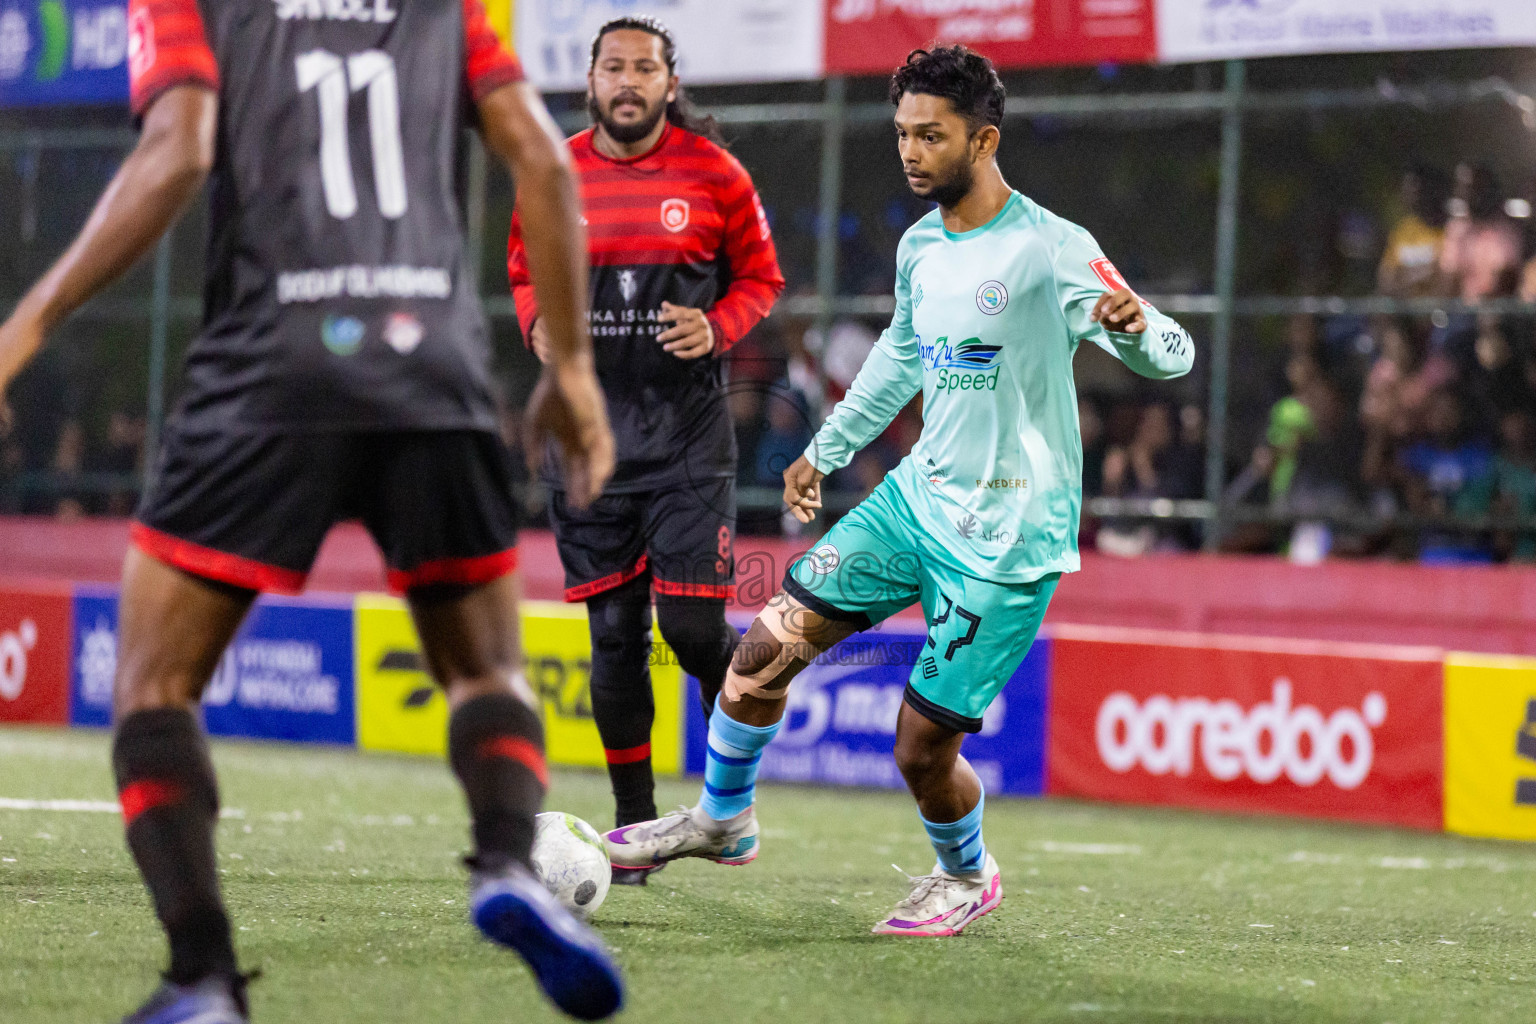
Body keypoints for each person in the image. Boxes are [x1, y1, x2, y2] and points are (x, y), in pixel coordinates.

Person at [0, 0, 623, 1020]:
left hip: (272, 365)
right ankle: (509, 865)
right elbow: (547, 166)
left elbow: (178, 152)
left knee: (154, 686)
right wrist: (575, 370)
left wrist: (25, 325)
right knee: (483, 670)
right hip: (434, 365)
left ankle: (202, 972)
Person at [603, 46, 1193, 936]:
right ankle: (723, 820)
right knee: (762, 653)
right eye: (903, 134)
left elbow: (1176, 355)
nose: (911, 152)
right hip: (915, 503)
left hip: (1008, 538)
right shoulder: (921, 244)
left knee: (921, 749)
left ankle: (965, 875)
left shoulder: (1051, 247)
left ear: (984, 139)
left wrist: (1140, 327)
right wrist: (826, 449)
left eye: (932, 135)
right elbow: (899, 359)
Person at [506, 16, 785, 868]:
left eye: (645, 68)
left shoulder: (716, 174)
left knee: (697, 633)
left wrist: (720, 324)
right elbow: (523, 269)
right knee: (615, 640)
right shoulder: (552, 169)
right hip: (589, 441)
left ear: (671, 83)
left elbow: (763, 279)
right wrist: (534, 327)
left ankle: (725, 805)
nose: (628, 81)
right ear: (590, 81)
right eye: (613, 67)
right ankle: (639, 830)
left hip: (689, 444)